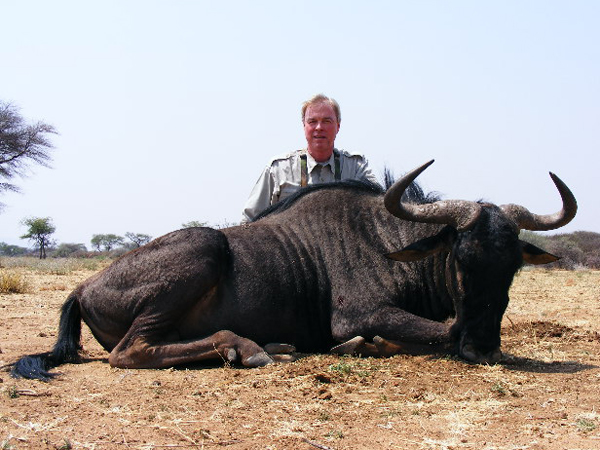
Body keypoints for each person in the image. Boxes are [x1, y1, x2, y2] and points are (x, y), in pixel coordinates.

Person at [241, 94, 379, 222]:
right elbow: (248, 222)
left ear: (338, 126)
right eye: (312, 121)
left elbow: (380, 209)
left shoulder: (356, 167)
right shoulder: (278, 170)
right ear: (304, 126)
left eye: (326, 121)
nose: (319, 127)